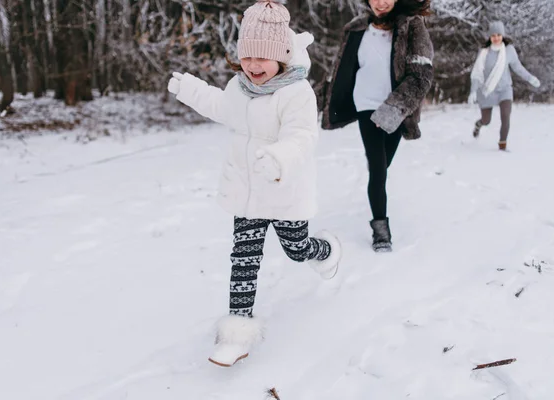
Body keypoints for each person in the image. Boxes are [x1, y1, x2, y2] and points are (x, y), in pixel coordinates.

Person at [167, 0, 341, 367]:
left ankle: (325, 251)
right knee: (243, 259)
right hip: (246, 192)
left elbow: (302, 137)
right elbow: (221, 106)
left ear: (281, 57)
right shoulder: (239, 87)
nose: (254, 65)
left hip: (284, 188)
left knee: (296, 250)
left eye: (263, 57)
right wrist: (190, 89)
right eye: (248, 56)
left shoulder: (297, 93)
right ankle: (236, 333)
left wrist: (279, 159)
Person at [321, 0, 434, 252]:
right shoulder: (355, 29)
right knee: (378, 170)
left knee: (383, 165)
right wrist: (315, 98)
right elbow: (339, 71)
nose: (381, 3)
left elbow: (421, 76)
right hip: (365, 107)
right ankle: (380, 230)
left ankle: (377, 205)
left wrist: (393, 110)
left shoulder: (411, 27)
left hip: (395, 108)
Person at [469, 21, 541, 150]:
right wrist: (473, 90)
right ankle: (479, 125)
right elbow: (477, 73)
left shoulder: (509, 50)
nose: (496, 38)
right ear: (489, 37)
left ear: (503, 35)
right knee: (486, 120)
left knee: (506, 116)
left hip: (505, 89)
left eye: (498, 35)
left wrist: (530, 78)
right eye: (493, 35)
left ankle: (502, 145)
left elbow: (518, 68)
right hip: (486, 90)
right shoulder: (484, 52)